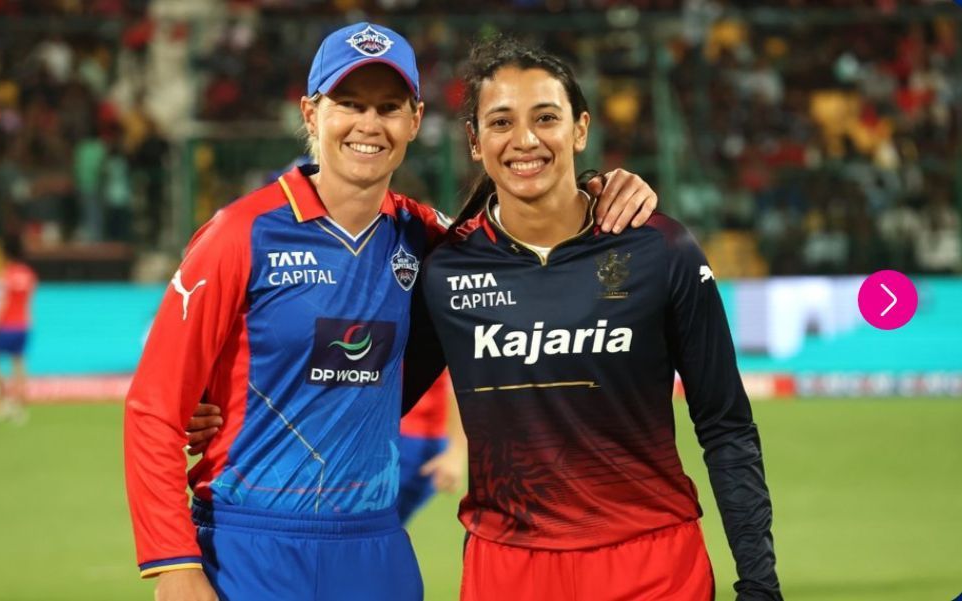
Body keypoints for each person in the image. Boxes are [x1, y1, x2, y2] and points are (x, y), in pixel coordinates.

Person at [125, 22, 658, 601]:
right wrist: (175, 566)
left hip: (377, 550)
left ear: (414, 119)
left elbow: (528, 243)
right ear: (311, 113)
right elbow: (155, 409)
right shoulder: (240, 234)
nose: (369, 125)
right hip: (249, 546)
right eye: (349, 104)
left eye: (388, 107)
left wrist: (600, 189)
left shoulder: (429, 240)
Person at [416, 37, 782, 600]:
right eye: (501, 122)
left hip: (653, 566)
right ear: (474, 141)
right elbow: (367, 395)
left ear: (580, 129)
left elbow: (726, 426)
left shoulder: (660, 249)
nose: (526, 140)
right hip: (507, 571)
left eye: (546, 117)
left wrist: (759, 584)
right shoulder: (444, 269)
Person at [397, 369, 467, 524]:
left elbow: (463, 375)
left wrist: (456, 450)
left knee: (370, 532)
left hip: (415, 440)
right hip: (374, 433)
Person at [0, 235, 37, 422]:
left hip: (5, 325)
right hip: (23, 325)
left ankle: (3, 395)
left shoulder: (5, 275)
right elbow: (29, 302)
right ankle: (20, 405)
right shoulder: (29, 274)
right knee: (19, 363)